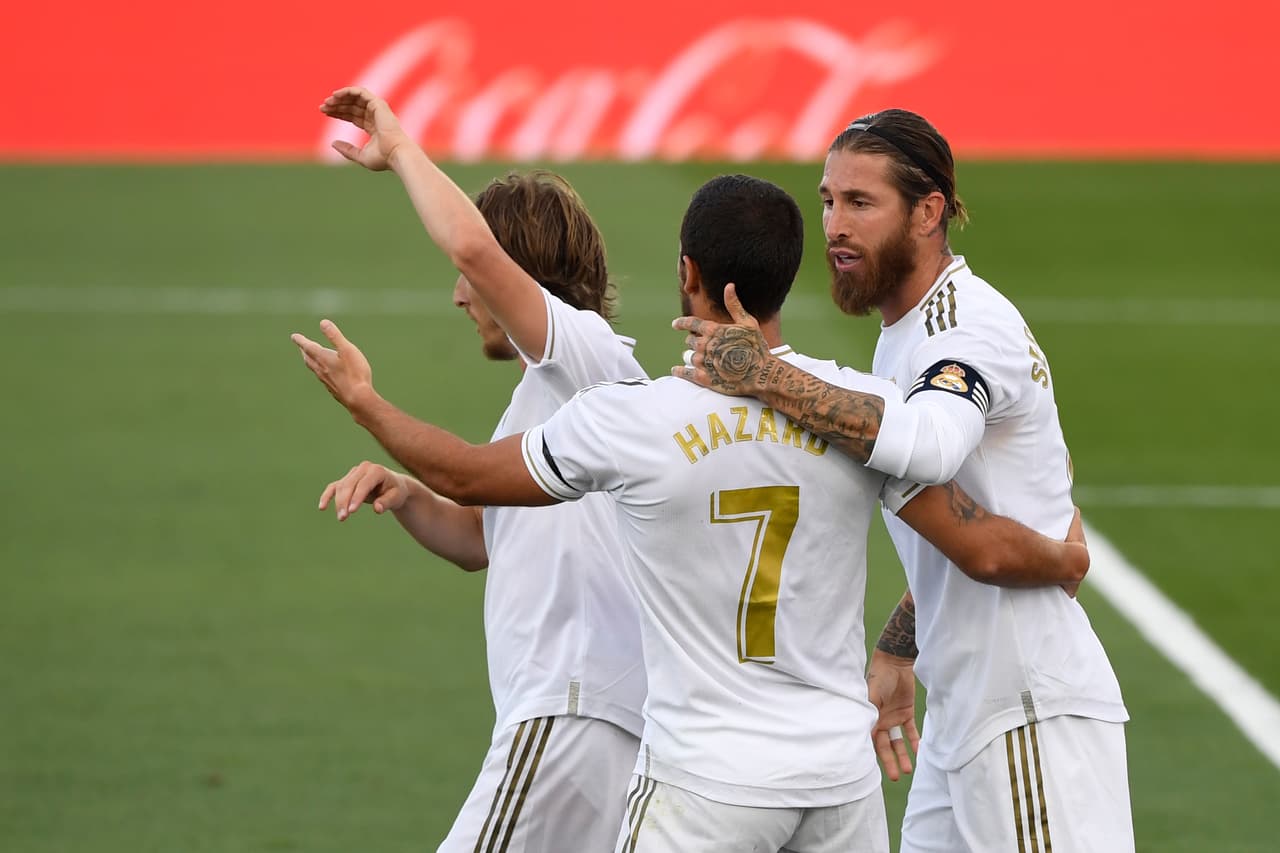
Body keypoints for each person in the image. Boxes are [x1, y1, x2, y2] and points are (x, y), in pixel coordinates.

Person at [293, 174, 1090, 853]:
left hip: (706, 781)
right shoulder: (861, 413)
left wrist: (366, 404)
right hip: (839, 783)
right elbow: (976, 543)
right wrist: (1061, 557)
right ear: (788, 276)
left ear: (688, 272)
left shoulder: (631, 418)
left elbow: (463, 474)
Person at [673, 111, 1133, 851]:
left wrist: (767, 374)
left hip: (1026, 704)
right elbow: (971, 511)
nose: (835, 227)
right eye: (827, 201)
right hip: (966, 711)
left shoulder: (962, 326)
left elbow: (930, 449)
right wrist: (899, 645)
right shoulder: (906, 333)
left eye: (861, 203)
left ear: (928, 212)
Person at [315, 87, 648, 853]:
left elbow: (470, 247)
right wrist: (405, 495)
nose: (460, 292)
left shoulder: (585, 355)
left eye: (479, 276)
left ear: (515, 273)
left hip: (566, 715)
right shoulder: (552, 390)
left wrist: (398, 146)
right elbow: (482, 535)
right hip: (591, 721)